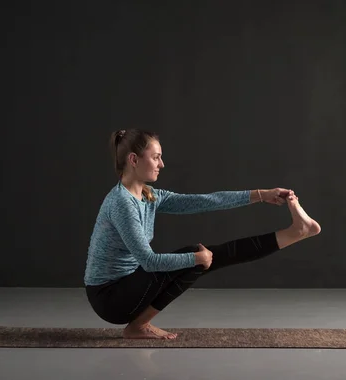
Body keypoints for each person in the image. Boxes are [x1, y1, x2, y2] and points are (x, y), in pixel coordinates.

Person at [84, 129, 321, 340]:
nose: (162, 164)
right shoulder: (122, 203)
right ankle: (138, 325)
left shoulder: (149, 196)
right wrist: (196, 259)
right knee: (198, 256)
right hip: (110, 298)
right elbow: (149, 261)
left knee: (208, 258)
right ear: (134, 159)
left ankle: (295, 232)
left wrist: (261, 194)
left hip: (129, 285)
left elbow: (203, 202)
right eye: (156, 157)